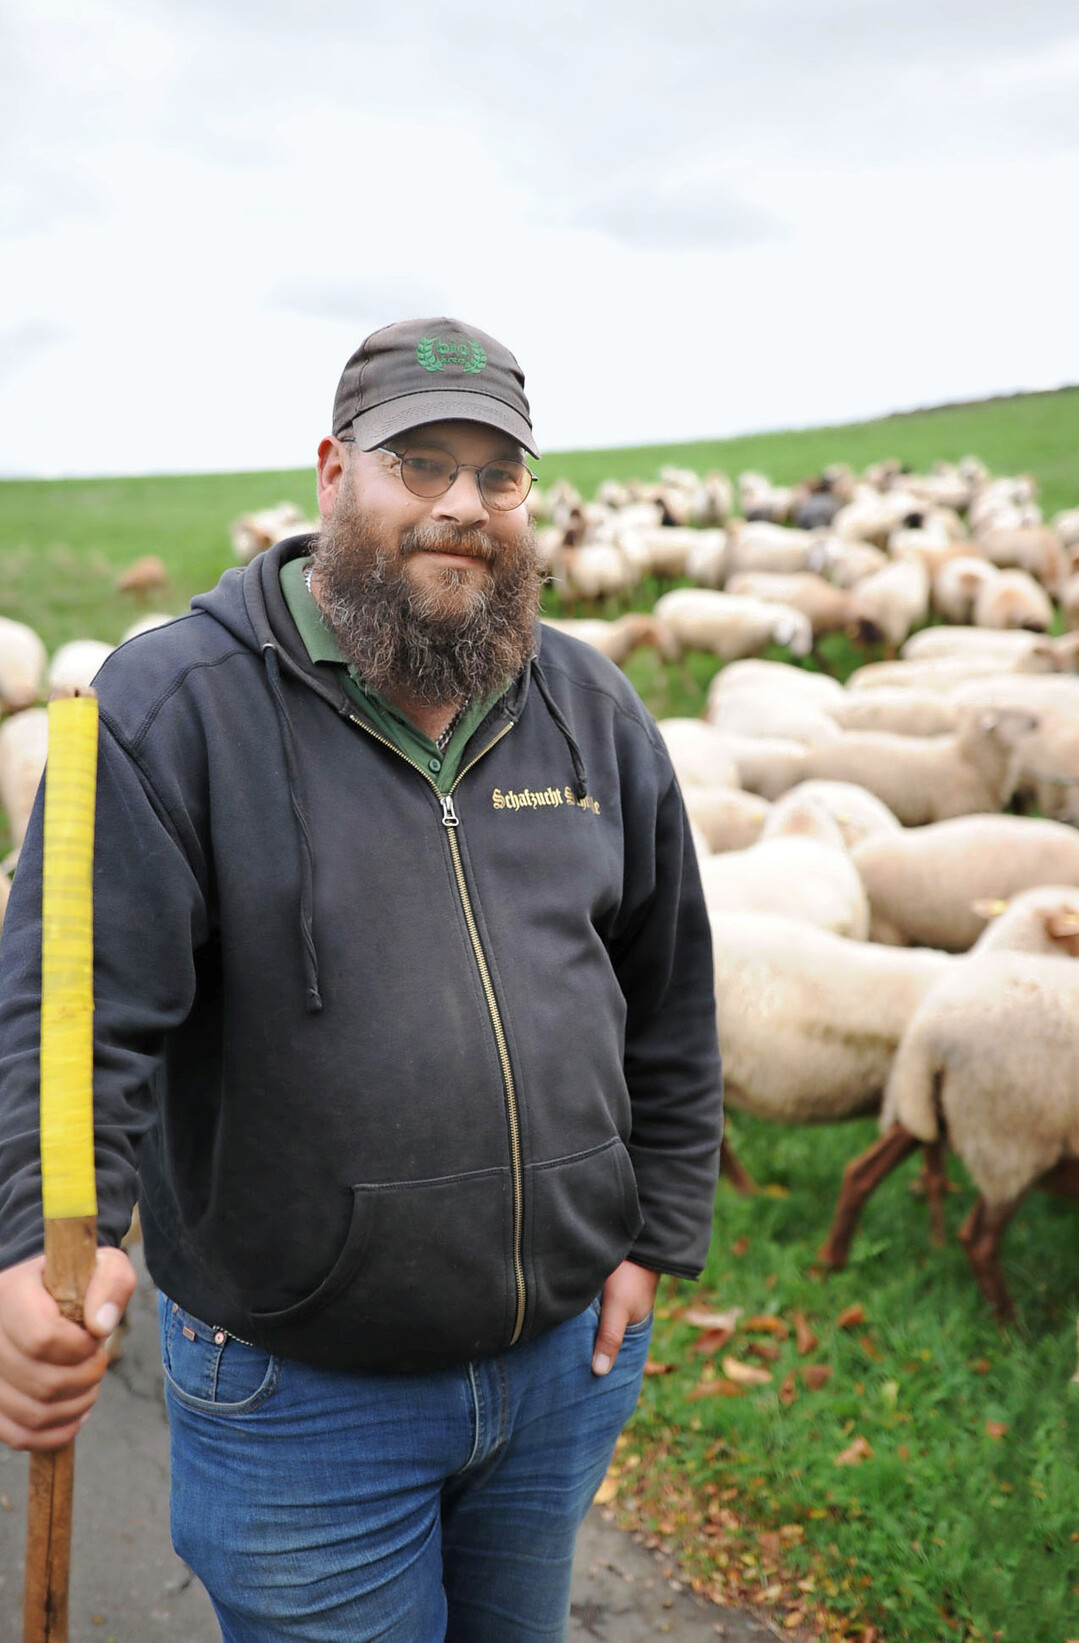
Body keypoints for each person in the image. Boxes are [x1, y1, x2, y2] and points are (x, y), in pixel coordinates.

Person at [0, 317, 722, 1640]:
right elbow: (74, 1015)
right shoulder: (173, 709)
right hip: (301, 1401)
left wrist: (656, 1235)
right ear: (335, 473)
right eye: (419, 462)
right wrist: (37, 1244)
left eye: (497, 473)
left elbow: (668, 990)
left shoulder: (591, 708)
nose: (464, 505)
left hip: (563, 1367)